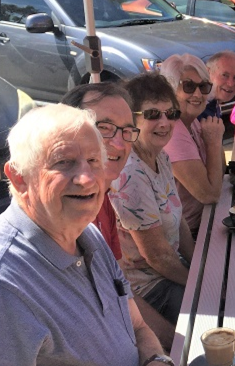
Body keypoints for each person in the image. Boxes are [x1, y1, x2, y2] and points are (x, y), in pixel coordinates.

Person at [0, 104, 209, 366]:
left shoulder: (87, 235)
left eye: (94, 160)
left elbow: (137, 327)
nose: (86, 178)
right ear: (19, 178)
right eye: (63, 162)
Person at [61, 83, 175, 351]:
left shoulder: (103, 199)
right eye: (104, 128)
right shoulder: (58, 218)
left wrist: (168, 345)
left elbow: (120, 290)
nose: (119, 143)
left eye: (126, 130)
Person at [109, 73, 195, 325]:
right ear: (131, 120)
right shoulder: (131, 175)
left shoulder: (160, 156)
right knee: (219, 309)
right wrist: (200, 282)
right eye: (153, 114)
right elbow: (156, 256)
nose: (164, 122)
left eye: (171, 113)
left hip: (171, 267)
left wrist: (200, 265)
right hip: (149, 288)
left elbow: (178, 220)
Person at [160, 54, 226, 236]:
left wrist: (215, 141)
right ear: (171, 90)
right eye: (188, 86)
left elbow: (221, 173)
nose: (197, 94)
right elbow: (209, 195)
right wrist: (213, 143)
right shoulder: (172, 131)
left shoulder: (192, 121)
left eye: (203, 87)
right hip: (189, 233)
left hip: (207, 218)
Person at [200, 49, 235, 139]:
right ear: (208, 73)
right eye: (224, 75)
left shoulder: (213, 102)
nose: (230, 84)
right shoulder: (197, 109)